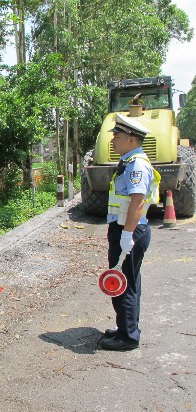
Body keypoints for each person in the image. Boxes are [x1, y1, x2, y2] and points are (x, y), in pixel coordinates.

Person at [101, 114, 161, 350]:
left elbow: (137, 201)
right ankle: (127, 327)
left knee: (121, 282)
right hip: (128, 228)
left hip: (130, 230)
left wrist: (127, 234)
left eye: (117, 136)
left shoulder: (137, 165)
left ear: (132, 140)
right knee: (129, 280)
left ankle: (127, 338)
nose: (113, 141)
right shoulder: (130, 161)